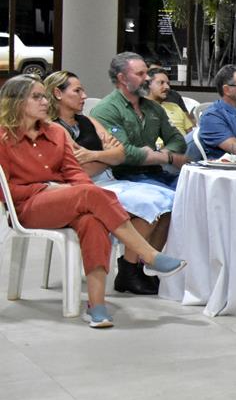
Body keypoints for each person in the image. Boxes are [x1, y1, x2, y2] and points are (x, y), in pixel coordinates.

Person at [0, 75, 186, 328]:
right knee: (91, 195)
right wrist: (46, 188)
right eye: (37, 97)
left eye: (44, 96)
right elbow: (5, 190)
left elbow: (73, 172)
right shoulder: (3, 138)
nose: (45, 102)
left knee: (92, 220)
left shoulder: (55, 132)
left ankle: (97, 306)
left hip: (65, 198)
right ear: (16, 101)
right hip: (27, 206)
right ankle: (149, 255)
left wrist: (84, 194)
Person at [47, 71, 176, 295]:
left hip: (112, 179)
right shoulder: (54, 128)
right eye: (77, 91)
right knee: (149, 204)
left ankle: (139, 268)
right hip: (86, 188)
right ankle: (130, 270)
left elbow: (121, 154)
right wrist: (106, 156)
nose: (84, 96)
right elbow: (80, 169)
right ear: (58, 93)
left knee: (171, 201)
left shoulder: (88, 120)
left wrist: (94, 155)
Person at [90, 51, 189, 188]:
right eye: (140, 74)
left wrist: (161, 154)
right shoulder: (106, 110)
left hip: (157, 173)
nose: (147, 78)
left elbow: (177, 140)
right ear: (122, 78)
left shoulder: (154, 108)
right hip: (126, 179)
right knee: (175, 199)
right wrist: (166, 158)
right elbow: (124, 152)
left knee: (197, 189)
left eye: (147, 72)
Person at [144, 67, 194, 136]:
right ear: (148, 84)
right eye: (161, 83)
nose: (167, 87)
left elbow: (191, 135)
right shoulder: (139, 109)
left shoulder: (175, 107)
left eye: (168, 83)